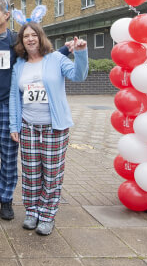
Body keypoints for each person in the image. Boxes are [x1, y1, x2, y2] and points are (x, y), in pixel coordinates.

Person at [0, 0, 72, 221]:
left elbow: (37, 57)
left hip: (9, 106)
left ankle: (6, 199)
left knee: (8, 157)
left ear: (7, 15)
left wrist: (65, 49)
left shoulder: (16, 40)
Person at [9, 22, 88, 235]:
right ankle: (32, 211)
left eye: (34, 35)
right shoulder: (19, 65)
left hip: (54, 127)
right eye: (26, 36)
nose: (30, 39)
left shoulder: (56, 59)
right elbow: (14, 97)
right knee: (31, 173)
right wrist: (14, 125)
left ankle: (47, 215)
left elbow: (78, 76)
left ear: (41, 37)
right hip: (28, 126)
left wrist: (81, 54)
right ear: (21, 41)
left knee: (52, 173)